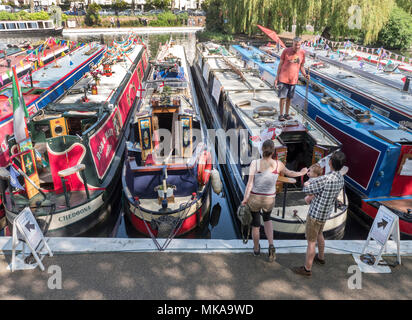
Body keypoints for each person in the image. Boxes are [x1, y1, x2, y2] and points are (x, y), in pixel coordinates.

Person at [241, 139, 308, 262]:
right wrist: (302, 172)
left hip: (255, 198)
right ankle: (271, 246)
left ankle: (256, 249)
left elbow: (249, 184)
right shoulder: (278, 164)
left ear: (262, 150)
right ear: (273, 152)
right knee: (267, 220)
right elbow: (291, 173)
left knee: (255, 226)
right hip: (269, 199)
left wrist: (245, 199)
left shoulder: (254, 163)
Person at [293, 151, 346, 277]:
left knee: (311, 242)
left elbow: (306, 190)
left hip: (315, 214)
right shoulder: (341, 179)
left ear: (330, 162)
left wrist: (306, 182)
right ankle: (321, 257)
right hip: (325, 214)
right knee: (320, 234)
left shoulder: (325, 178)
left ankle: (307, 269)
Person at [274, 37, 309, 122]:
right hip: (283, 78)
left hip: (293, 80)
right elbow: (280, 64)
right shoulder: (286, 51)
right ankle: (281, 115)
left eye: (299, 45)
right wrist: (277, 77)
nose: (297, 46)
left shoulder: (302, 53)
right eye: (295, 44)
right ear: (292, 43)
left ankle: (286, 114)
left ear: (300, 44)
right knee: (282, 98)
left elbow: (301, 66)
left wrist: (305, 74)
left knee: (289, 98)